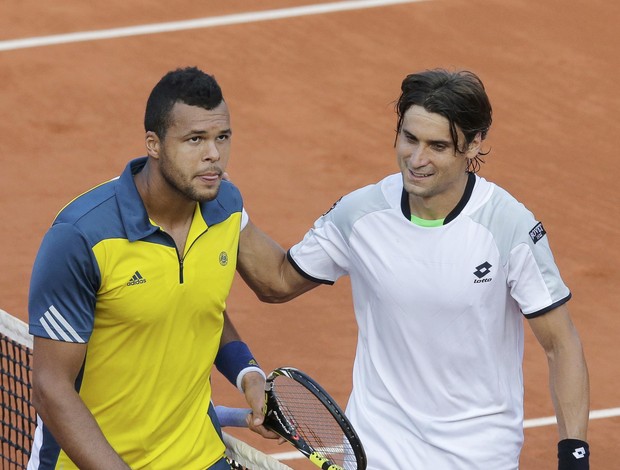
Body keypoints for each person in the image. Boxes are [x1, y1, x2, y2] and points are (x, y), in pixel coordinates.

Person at [236, 69, 590, 469]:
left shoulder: (508, 226)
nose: (417, 160)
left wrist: (574, 456)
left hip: (476, 457)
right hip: (375, 451)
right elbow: (277, 280)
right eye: (409, 139)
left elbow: (561, 345)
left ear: (474, 145)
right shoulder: (362, 214)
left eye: (437, 146)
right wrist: (228, 207)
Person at [27, 66, 273, 470]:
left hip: (198, 458)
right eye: (195, 140)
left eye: (222, 137)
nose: (214, 154)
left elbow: (198, 303)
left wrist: (248, 373)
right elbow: (51, 387)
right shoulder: (82, 237)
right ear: (153, 144)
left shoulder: (225, 209)